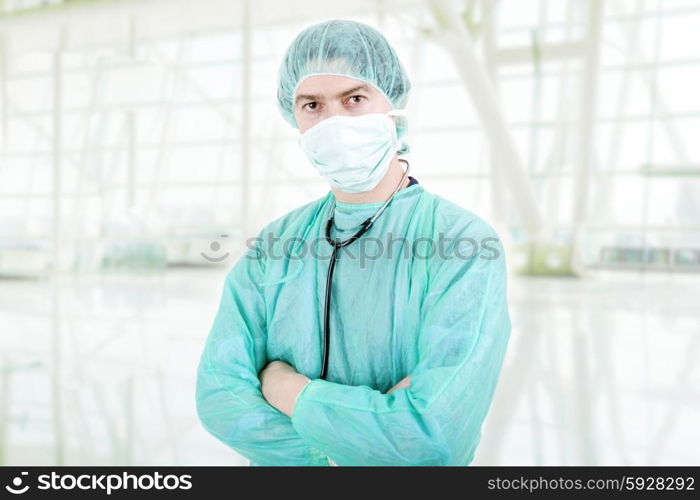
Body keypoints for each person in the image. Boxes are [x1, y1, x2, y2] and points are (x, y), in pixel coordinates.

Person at [195, 19, 512, 466]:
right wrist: (358, 441)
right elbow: (220, 397)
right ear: (296, 117)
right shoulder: (274, 245)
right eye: (312, 105)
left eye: (355, 99)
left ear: (392, 104)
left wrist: (285, 387)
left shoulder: (462, 244)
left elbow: (430, 433)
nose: (334, 122)